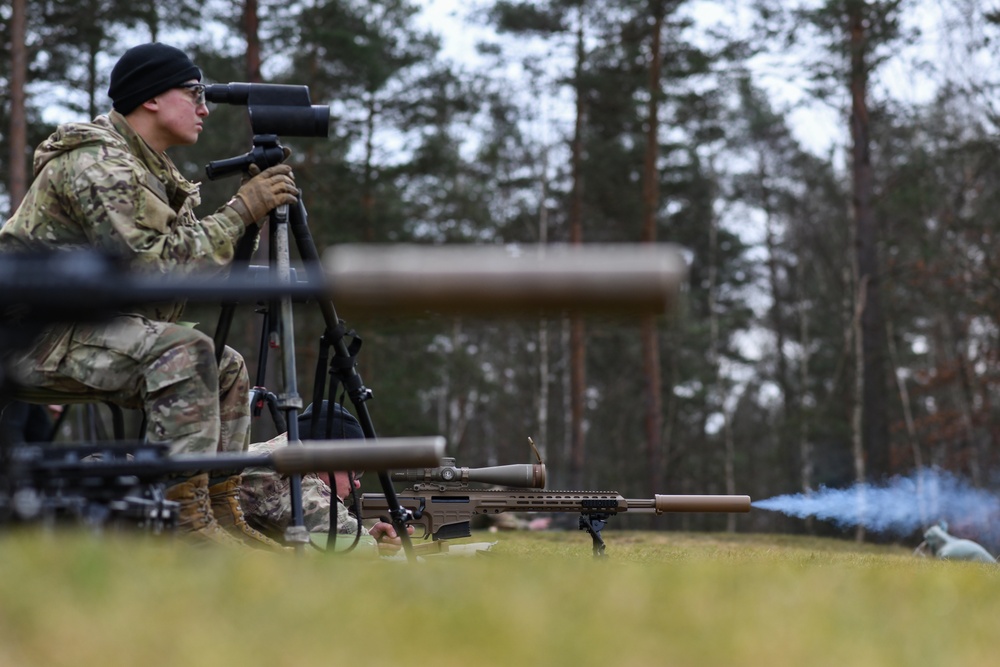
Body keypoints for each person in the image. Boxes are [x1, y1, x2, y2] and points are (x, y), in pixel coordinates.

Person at [0, 42, 299, 548]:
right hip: (30, 337)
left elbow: (181, 274)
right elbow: (154, 272)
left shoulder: (150, 170)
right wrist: (239, 213)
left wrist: (238, 225)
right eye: (194, 93)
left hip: (82, 327)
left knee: (225, 365)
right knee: (184, 353)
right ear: (152, 99)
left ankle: (219, 509)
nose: (204, 108)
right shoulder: (98, 166)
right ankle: (180, 521)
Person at [239, 401, 409, 552]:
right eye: (355, 471)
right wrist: (370, 544)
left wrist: (370, 540)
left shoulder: (273, 456)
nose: (356, 483)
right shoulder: (286, 476)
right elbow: (350, 539)